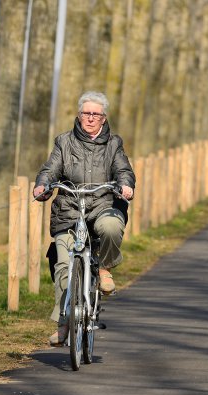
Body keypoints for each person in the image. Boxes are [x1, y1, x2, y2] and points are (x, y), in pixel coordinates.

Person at [33, 91, 135, 347]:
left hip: (103, 204)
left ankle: (104, 268)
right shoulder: (63, 142)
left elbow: (123, 169)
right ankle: (64, 324)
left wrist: (125, 185)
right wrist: (42, 185)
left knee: (111, 226)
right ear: (79, 116)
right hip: (69, 210)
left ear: (103, 118)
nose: (90, 118)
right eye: (86, 113)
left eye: (96, 114)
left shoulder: (114, 143)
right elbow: (50, 168)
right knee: (63, 266)